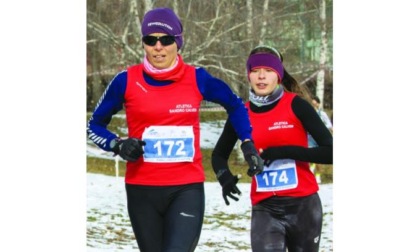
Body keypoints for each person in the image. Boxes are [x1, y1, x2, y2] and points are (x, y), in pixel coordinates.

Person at [86, 7, 263, 252]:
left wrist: (247, 142)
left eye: (166, 40)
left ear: (177, 43)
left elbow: (236, 105)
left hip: (185, 188)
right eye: (150, 40)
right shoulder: (126, 80)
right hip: (142, 191)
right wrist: (118, 144)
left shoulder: (197, 78)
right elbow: (94, 125)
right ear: (144, 44)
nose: (158, 47)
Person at [211, 45, 333, 251]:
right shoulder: (241, 113)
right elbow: (219, 155)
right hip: (265, 207)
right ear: (248, 75)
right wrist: (224, 177)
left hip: (303, 205)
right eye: (255, 71)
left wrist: (282, 152)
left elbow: (330, 152)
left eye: (268, 71)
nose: (261, 77)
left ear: (278, 75)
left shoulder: (297, 105)